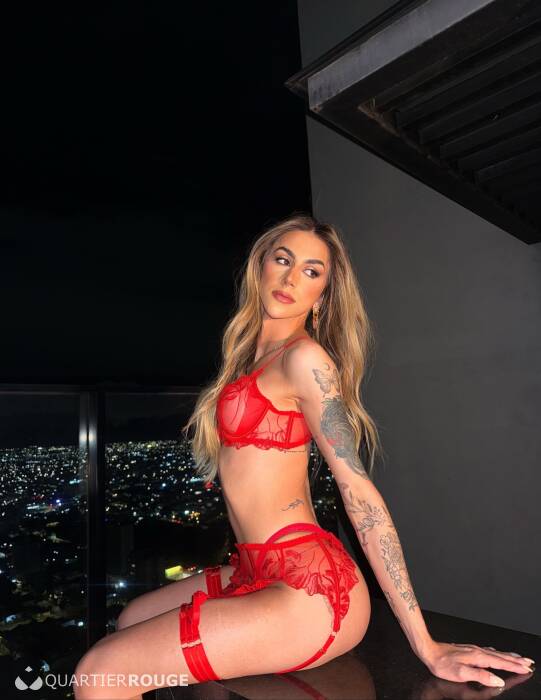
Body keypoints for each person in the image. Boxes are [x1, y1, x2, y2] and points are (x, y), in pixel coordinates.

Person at [74, 214, 534, 699]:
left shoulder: (305, 360)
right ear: (261, 266)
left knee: (98, 673)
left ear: (323, 296)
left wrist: (427, 644)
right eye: (283, 260)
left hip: (312, 589)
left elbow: (360, 495)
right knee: (131, 618)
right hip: (254, 567)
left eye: (312, 271)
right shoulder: (250, 359)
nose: (292, 278)